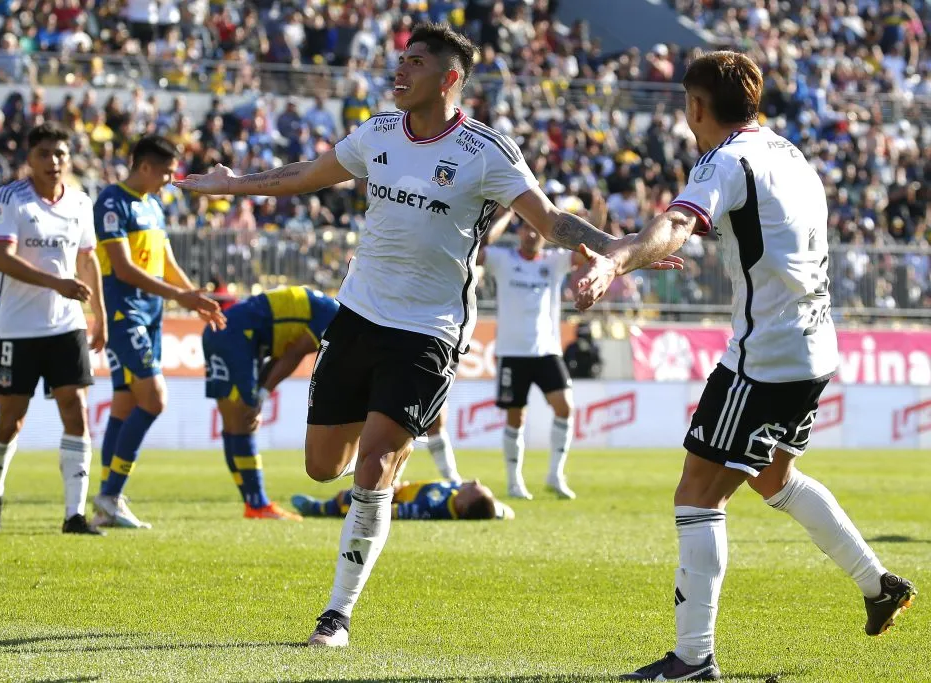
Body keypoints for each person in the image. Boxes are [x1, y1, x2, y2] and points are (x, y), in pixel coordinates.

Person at [176, 22, 680, 648]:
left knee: (374, 468)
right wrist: (232, 183)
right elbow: (307, 174)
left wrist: (621, 250)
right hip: (357, 317)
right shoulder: (378, 133)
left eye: (414, 63)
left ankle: (336, 615)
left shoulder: (486, 151)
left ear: (447, 79)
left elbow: (549, 221)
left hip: (427, 332)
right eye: (400, 60)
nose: (400, 71)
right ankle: (387, 436)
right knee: (319, 468)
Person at [574, 51, 917, 681]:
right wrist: (642, 246)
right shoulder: (786, 153)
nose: (686, 121)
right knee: (774, 477)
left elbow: (679, 220)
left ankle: (693, 658)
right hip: (814, 346)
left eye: (686, 108)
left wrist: (622, 261)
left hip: (764, 357)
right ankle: (879, 583)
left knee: (697, 493)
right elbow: (747, 227)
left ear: (698, 107)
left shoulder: (723, 159)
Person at [0, 122, 106, 536]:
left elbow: (88, 261)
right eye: (45, 154)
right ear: (29, 159)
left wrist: (99, 315)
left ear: (70, 159)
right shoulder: (11, 199)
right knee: (10, 420)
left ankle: (74, 515)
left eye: (60, 155)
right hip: (17, 327)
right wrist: (59, 284)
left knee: (76, 410)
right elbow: (2, 259)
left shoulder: (81, 203)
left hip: (65, 326)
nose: (53, 162)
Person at [91, 135, 225, 530]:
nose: (171, 179)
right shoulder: (112, 202)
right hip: (124, 312)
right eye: (167, 171)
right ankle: (112, 493)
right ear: (145, 166)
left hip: (150, 314)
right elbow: (124, 269)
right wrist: (181, 296)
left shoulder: (152, 205)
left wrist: (194, 297)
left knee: (125, 403)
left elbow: (165, 262)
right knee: (154, 400)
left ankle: (105, 505)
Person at [478, 206, 589, 500]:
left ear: (543, 236)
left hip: (546, 351)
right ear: (518, 233)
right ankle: (514, 482)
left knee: (565, 407)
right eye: (525, 229)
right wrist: (503, 216)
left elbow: (584, 254)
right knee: (516, 418)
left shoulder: (553, 262)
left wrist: (594, 226)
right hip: (512, 353)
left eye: (535, 230)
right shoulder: (503, 260)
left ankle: (555, 474)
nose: (530, 234)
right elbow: (477, 250)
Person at [203, 285, 339, 521]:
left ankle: (251, 502)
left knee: (232, 424)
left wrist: (259, 392)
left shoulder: (324, 307)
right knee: (244, 421)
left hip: (219, 331)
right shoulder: (335, 318)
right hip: (237, 335)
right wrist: (262, 395)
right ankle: (258, 504)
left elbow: (280, 356)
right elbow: (293, 355)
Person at [291, 478, 514, 521]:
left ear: (464, 506)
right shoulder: (458, 496)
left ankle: (320, 509)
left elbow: (393, 512)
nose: (475, 482)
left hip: (390, 492)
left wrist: (392, 491)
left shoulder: (433, 508)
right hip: (400, 484)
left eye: (477, 490)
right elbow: (505, 512)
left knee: (347, 497)